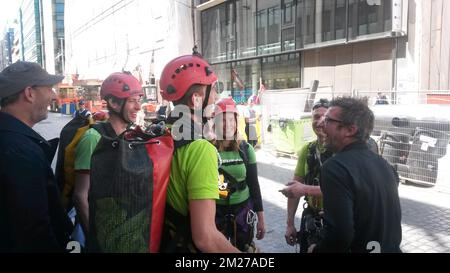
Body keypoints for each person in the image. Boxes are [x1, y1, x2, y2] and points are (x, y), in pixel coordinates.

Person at [159, 53, 239, 253]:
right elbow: (206, 238)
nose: (216, 99)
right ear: (196, 99)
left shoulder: (163, 133)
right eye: (212, 92)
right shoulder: (200, 149)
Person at [312, 97, 402, 253]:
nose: (320, 125)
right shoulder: (385, 165)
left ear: (350, 130)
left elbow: (340, 236)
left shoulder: (335, 168)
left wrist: (316, 250)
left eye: (327, 120)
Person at [0, 61, 73, 252]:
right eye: (49, 88)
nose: (53, 95)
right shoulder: (19, 152)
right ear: (29, 93)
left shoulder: (12, 141)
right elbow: (34, 231)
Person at [72, 72, 143, 236]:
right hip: (102, 231)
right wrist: (97, 239)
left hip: (124, 229)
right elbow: (80, 196)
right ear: (113, 102)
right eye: (132, 101)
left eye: (139, 100)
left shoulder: (131, 136)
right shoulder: (93, 138)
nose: (138, 107)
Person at [280, 98, 333, 253]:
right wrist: (290, 224)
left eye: (326, 117)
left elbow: (344, 191)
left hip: (335, 221)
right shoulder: (307, 150)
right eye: (316, 117)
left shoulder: (342, 152)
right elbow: (294, 189)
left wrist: (304, 190)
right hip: (311, 217)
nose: (320, 121)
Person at [213, 97, 265, 252]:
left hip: (242, 210)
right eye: (223, 120)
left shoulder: (246, 149)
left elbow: (254, 185)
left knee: (244, 249)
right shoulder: (208, 149)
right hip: (217, 210)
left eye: (231, 119)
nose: (228, 124)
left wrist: (261, 219)